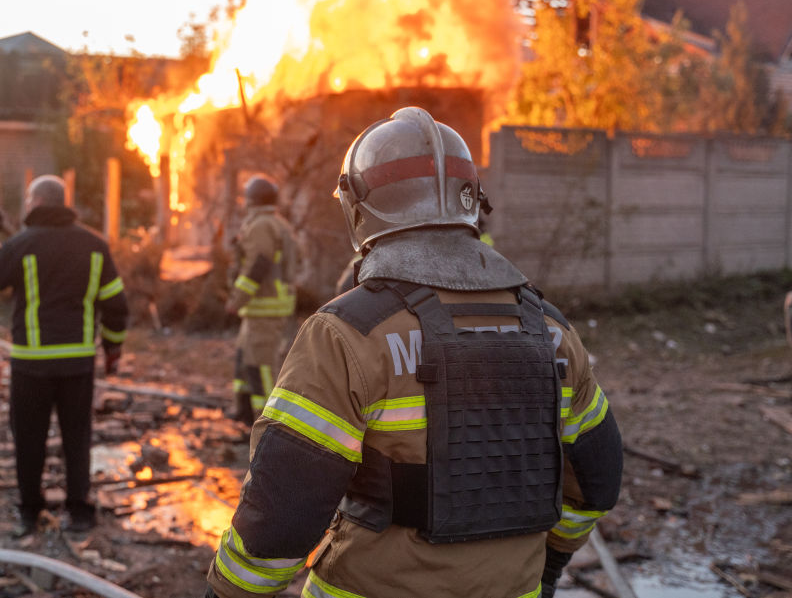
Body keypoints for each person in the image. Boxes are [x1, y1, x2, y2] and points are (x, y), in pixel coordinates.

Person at [205, 107, 623, 598]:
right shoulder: (551, 329)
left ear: (359, 207)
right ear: (471, 201)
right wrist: (548, 567)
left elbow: (283, 510)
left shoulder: (346, 334)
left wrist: (228, 592)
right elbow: (597, 479)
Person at [0, 174, 128, 535]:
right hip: (78, 362)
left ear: (36, 203)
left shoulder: (23, 244)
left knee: (29, 439)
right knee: (76, 438)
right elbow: (117, 304)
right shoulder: (95, 246)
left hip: (31, 364)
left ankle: (29, 511)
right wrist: (112, 350)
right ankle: (80, 513)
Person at [225, 175, 299, 426]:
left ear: (251, 200)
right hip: (261, 309)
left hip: (264, 307)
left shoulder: (261, 226)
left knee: (262, 367)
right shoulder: (275, 223)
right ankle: (245, 413)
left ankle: (269, 425)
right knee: (245, 360)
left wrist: (237, 298)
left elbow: (259, 264)